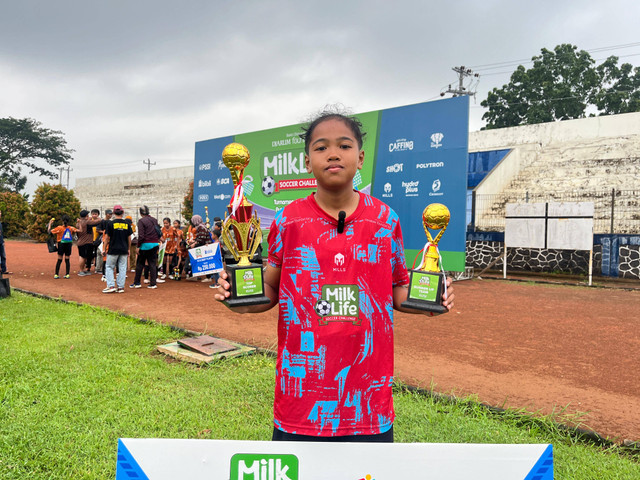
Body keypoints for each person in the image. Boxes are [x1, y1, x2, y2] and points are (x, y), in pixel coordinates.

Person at [214, 111, 454, 443]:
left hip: (368, 404)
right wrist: (241, 300)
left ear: (360, 157)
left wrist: (428, 301)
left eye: (344, 145)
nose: (333, 153)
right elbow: (271, 285)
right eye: (321, 147)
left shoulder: (386, 220)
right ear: (308, 161)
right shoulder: (288, 220)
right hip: (301, 405)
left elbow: (398, 289)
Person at [102, 205, 133, 293]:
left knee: (109, 267)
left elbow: (107, 238)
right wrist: (129, 249)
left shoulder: (110, 223)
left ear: (113, 213)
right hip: (124, 249)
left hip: (113, 248)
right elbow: (129, 238)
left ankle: (111, 286)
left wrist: (104, 249)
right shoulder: (127, 224)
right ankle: (121, 287)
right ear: (123, 212)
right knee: (122, 268)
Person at [130, 205, 161, 289]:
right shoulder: (154, 220)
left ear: (140, 213)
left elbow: (141, 235)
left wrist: (138, 246)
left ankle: (137, 282)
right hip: (155, 244)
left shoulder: (141, 221)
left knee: (140, 263)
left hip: (145, 245)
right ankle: (153, 283)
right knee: (152, 263)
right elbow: (158, 231)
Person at [47, 215, 78, 279]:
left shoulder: (59, 228)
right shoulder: (71, 228)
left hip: (61, 244)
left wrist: (50, 223)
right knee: (67, 259)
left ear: (62, 221)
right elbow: (79, 231)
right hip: (69, 244)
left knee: (59, 259)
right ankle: (67, 274)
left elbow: (49, 232)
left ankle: (56, 274)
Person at [185, 214, 212, 281]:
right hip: (204, 246)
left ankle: (208, 277)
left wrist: (194, 243)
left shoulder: (200, 227)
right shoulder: (201, 226)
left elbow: (201, 238)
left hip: (205, 247)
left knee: (205, 261)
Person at [76, 209, 100, 275]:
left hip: (82, 241)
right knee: (82, 256)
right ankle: (81, 270)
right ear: (86, 215)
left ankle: (83, 270)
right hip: (85, 242)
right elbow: (98, 221)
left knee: (84, 256)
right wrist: (96, 218)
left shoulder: (79, 223)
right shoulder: (87, 222)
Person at [0, 209, 10, 275]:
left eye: (0, 212)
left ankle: (4, 269)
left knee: (3, 256)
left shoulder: (0, 223)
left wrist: (2, 241)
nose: (0, 214)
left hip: (1, 242)